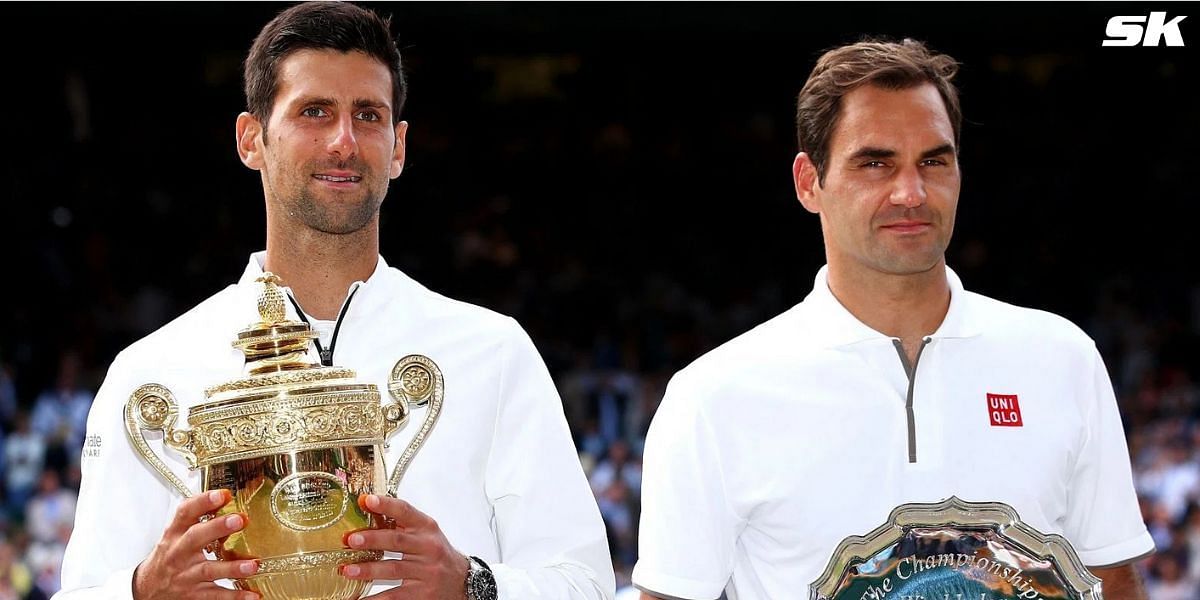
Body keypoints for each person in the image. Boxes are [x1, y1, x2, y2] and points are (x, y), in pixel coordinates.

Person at [56, 3, 614, 599]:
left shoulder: (494, 352)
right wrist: (142, 591)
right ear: (252, 140)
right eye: (314, 112)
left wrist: (474, 586)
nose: (344, 141)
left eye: (368, 116)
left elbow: (585, 584)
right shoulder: (150, 371)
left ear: (398, 148)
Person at [632, 39, 1153, 600]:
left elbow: (1113, 581)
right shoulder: (712, 398)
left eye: (934, 160)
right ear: (810, 182)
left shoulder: (1062, 358)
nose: (911, 192)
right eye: (875, 162)